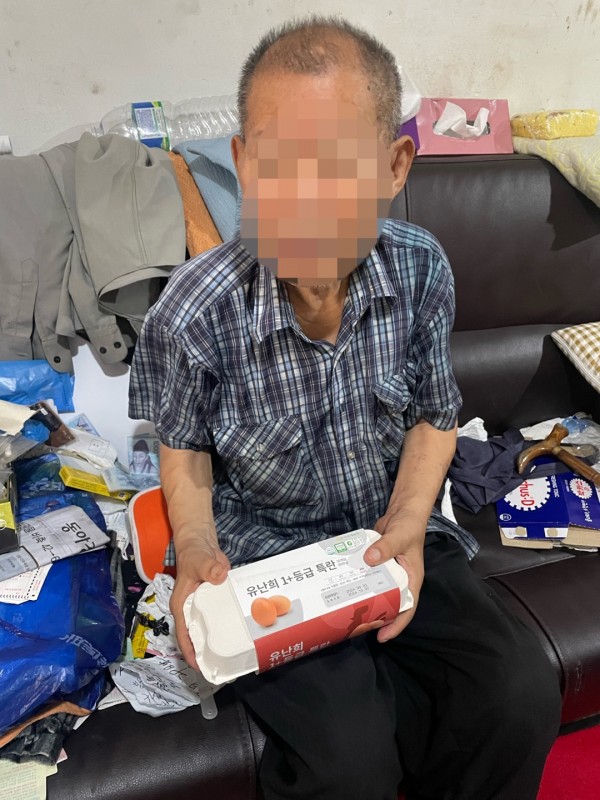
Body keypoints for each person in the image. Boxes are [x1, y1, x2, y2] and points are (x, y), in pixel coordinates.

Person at [129, 16, 561, 800]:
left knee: (517, 693)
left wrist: (409, 524)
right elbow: (183, 449)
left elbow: (435, 414)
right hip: (267, 555)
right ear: (242, 164)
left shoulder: (421, 269)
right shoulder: (191, 313)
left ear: (394, 166)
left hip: (385, 532)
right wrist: (193, 548)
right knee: (347, 765)